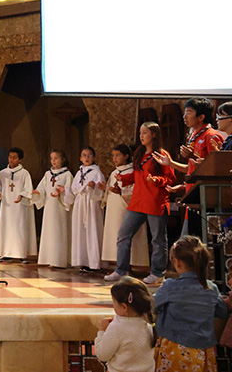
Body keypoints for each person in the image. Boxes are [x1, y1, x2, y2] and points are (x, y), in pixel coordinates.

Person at [105, 123, 176, 285]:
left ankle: (157, 273)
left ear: (154, 135)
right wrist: (124, 179)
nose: (141, 136)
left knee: (158, 240)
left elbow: (171, 179)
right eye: (140, 133)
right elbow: (138, 176)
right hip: (138, 201)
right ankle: (121, 270)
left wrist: (157, 180)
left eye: (145, 132)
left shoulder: (162, 154)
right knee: (123, 235)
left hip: (154, 201)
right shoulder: (139, 153)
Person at [154, 236, 228, 371]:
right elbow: (222, 312)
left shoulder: (170, 286)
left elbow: (151, 306)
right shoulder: (211, 288)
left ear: (177, 262)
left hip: (174, 349)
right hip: (205, 351)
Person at [153, 98, 223, 236]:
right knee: (190, 242)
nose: (185, 116)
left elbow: (217, 168)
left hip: (206, 199)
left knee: (194, 244)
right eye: (185, 112)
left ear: (201, 117)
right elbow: (192, 168)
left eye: (189, 112)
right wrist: (170, 163)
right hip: (192, 197)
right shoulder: (194, 137)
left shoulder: (211, 136)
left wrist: (193, 156)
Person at [101, 144, 149, 269]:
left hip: (126, 207)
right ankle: (117, 263)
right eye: (113, 156)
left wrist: (121, 193)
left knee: (127, 234)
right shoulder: (114, 173)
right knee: (115, 233)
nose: (114, 158)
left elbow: (135, 190)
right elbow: (108, 191)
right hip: (113, 208)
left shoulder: (133, 171)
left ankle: (131, 264)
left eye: (117, 155)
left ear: (126, 156)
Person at [94, 277, 156, 372]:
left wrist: (101, 331)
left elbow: (102, 355)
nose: (113, 306)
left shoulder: (117, 327)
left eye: (114, 302)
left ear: (124, 307)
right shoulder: (148, 325)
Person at [0, 147, 36, 263]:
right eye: (10, 157)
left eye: (14, 158)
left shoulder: (24, 173)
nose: (11, 160)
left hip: (20, 206)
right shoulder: (3, 173)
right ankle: (6, 253)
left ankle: (22, 254)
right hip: (7, 206)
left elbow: (28, 189)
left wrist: (22, 195)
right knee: (7, 228)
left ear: (20, 160)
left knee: (20, 228)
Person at [34, 149, 73, 269]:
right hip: (50, 208)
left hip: (60, 208)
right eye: (52, 158)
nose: (53, 161)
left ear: (63, 159)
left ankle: (60, 260)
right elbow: (42, 188)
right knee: (49, 231)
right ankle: (49, 258)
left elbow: (71, 192)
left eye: (56, 158)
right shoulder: (48, 174)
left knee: (59, 232)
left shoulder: (67, 175)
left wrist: (62, 193)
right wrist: (37, 192)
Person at [70, 146, 106, 272]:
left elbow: (101, 189)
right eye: (84, 155)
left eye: (89, 155)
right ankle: (83, 260)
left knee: (92, 230)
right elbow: (74, 188)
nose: (87, 158)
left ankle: (94, 262)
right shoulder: (79, 172)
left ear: (94, 157)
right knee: (81, 231)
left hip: (91, 203)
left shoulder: (96, 172)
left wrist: (94, 186)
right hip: (80, 203)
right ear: (80, 158)